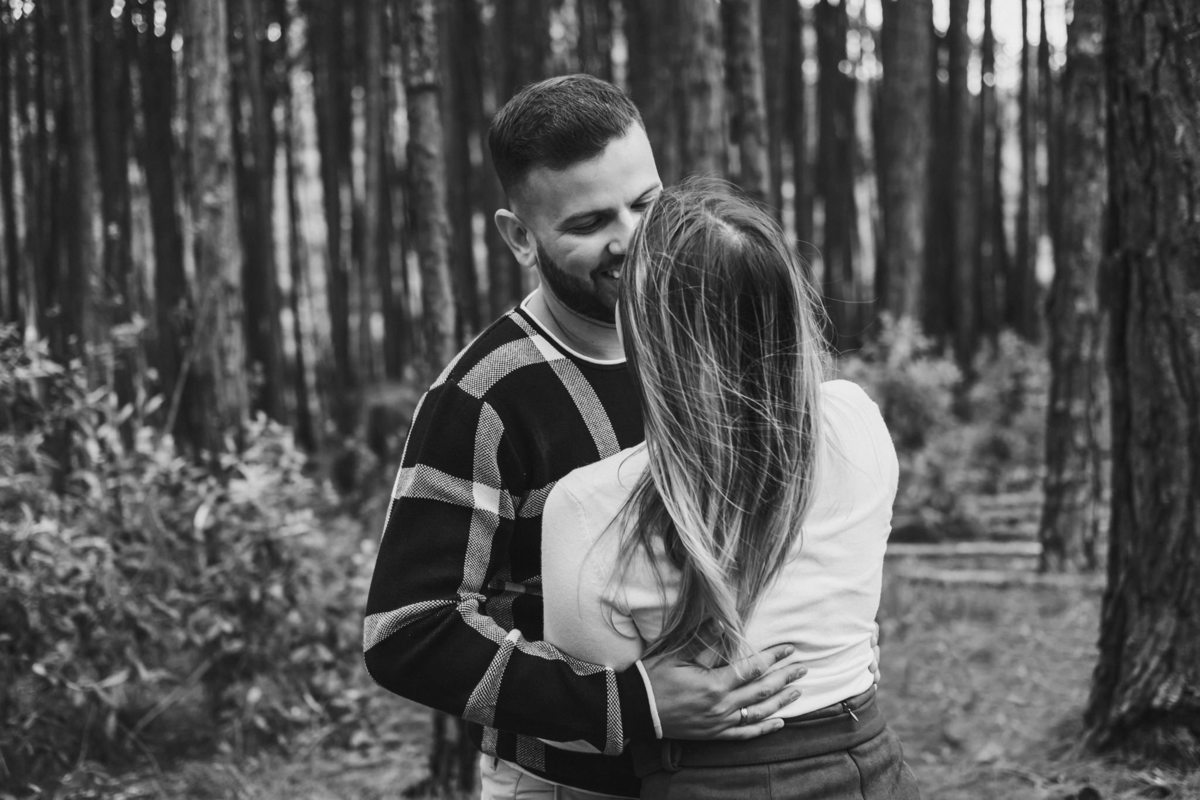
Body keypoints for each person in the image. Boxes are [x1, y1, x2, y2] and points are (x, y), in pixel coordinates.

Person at [363, 75, 808, 800]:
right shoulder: (483, 396)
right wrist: (632, 704)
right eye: (587, 223)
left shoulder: (705, 342)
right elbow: (407, 631)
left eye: (645, 204)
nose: (630, 241)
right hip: (566, 784)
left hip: (719, 777)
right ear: (518, 237)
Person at [541, 181, 920, 799]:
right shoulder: (856, 420)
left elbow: (592, 732)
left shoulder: (590, 507)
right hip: (872, 768)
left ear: (647, 332)